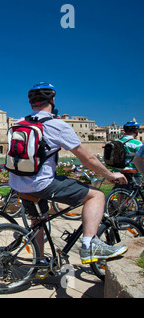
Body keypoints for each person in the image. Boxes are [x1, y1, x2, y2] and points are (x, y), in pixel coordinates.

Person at [8, 82, 128, 265]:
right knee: (96, 196)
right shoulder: (57, 125)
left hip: (18, 183)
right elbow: (87, 158)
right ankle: (89, 244)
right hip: (41, 184)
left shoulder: (19, 123)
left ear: (31, 103)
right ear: (53, 100)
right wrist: (110, 175)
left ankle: (39, 263)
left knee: (37, 221)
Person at [113, 121, 142, 189]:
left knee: (121, 192)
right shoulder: (137, 144)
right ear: (136, 130)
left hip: (118, 172)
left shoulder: (116, 142)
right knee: (131, 195)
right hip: (132, 173)